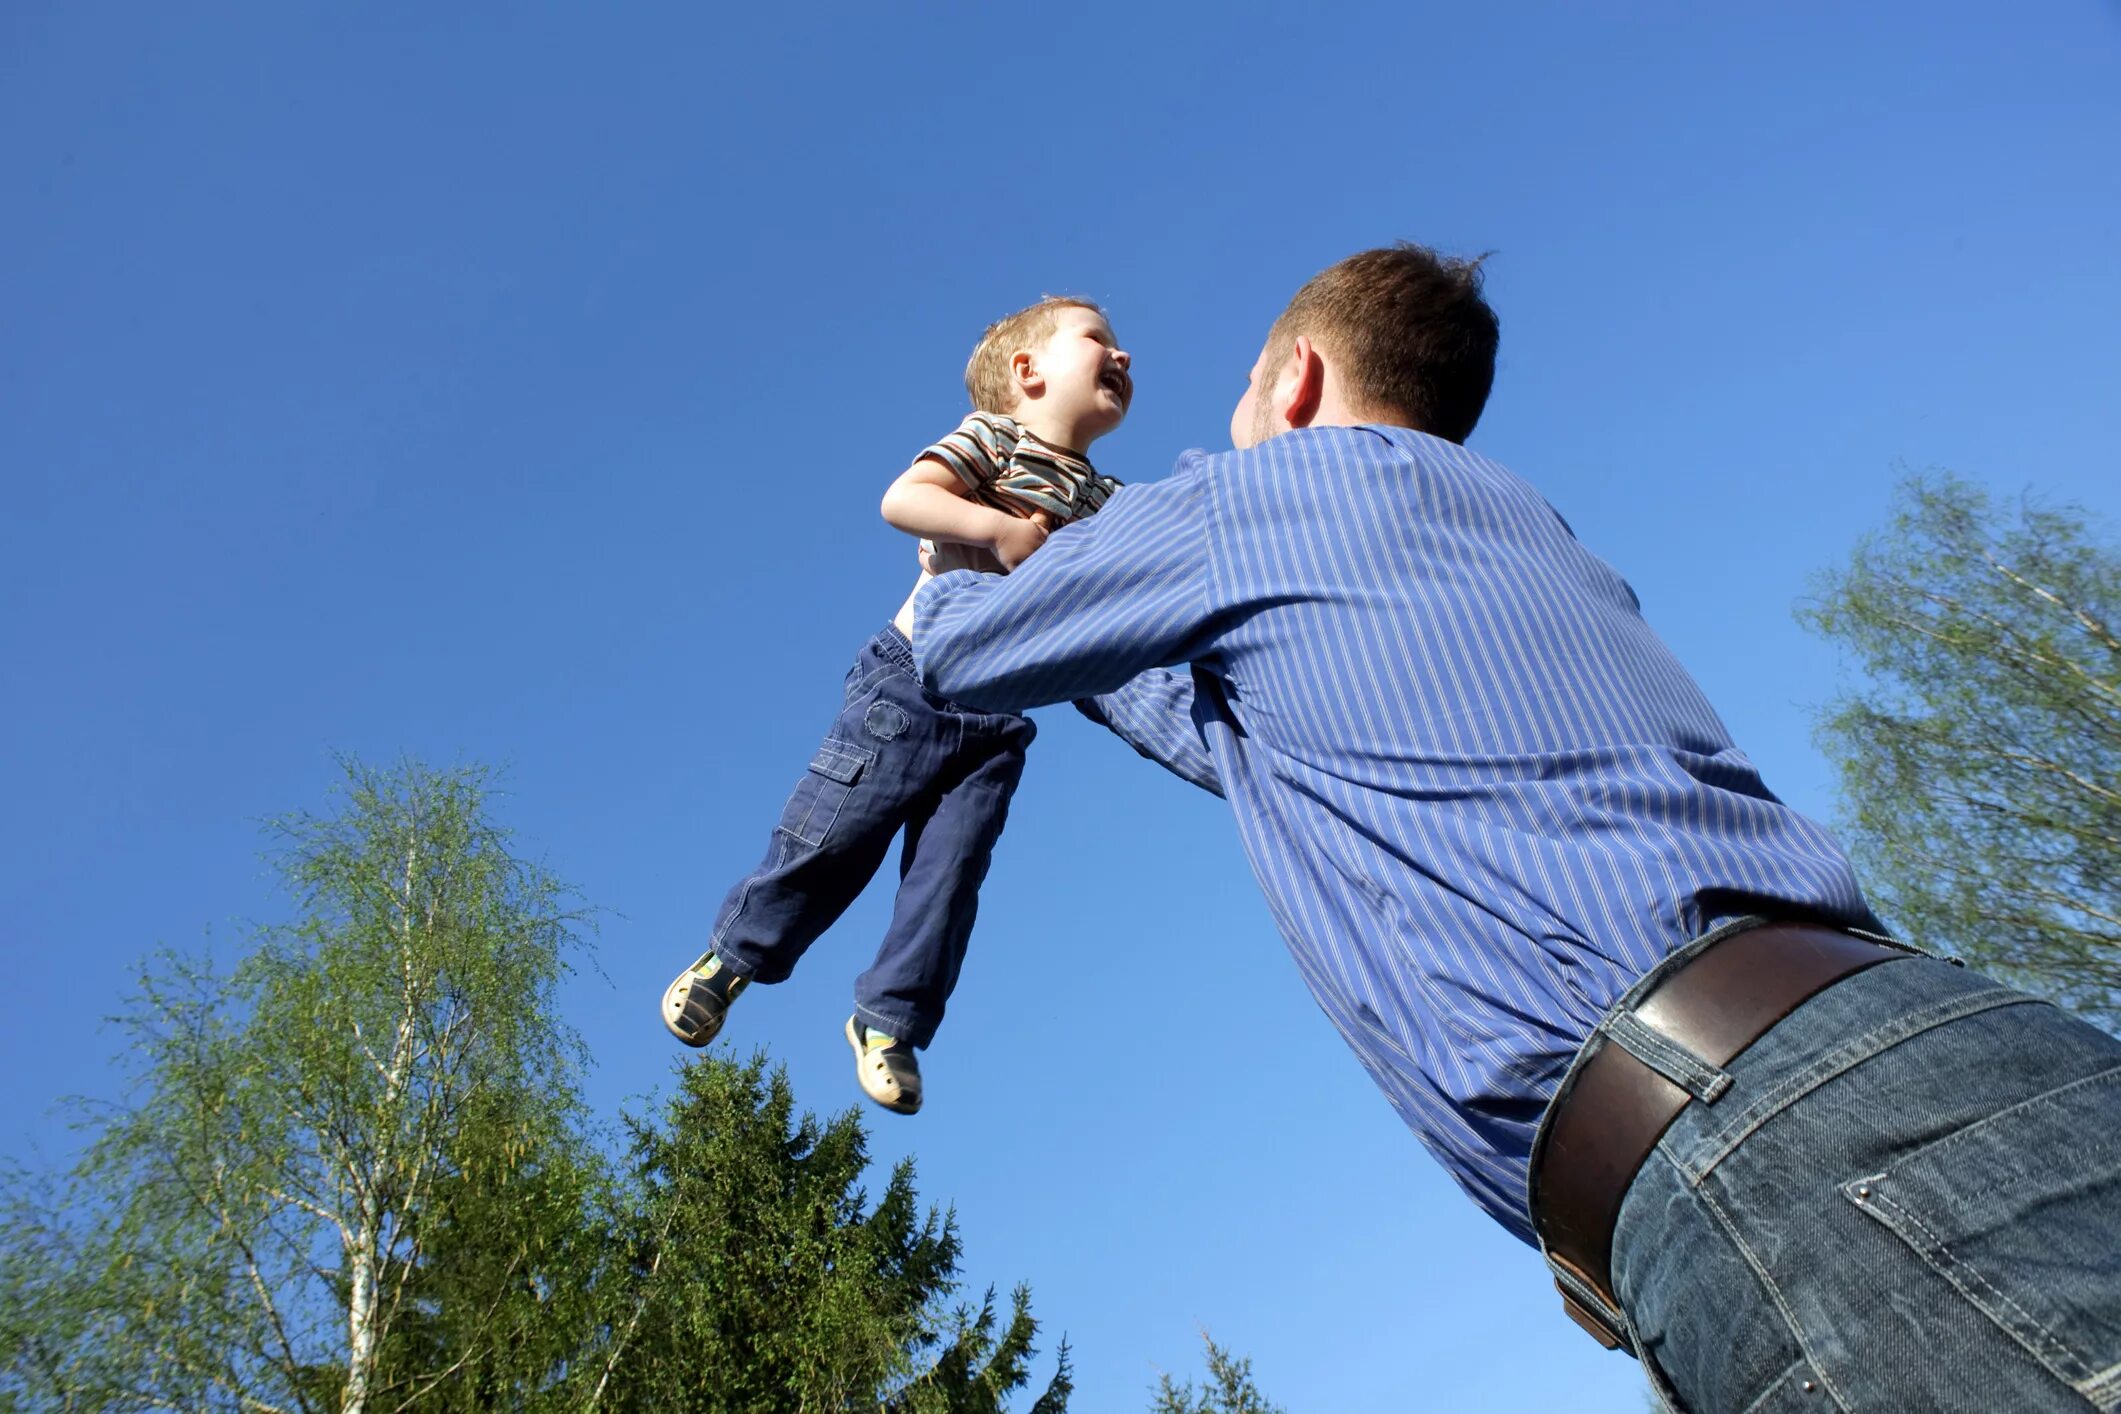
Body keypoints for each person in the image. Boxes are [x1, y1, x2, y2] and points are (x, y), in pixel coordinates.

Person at [908, 246, 2121, 1410]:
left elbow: (961, 656)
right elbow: (1263, 747)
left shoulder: (1252, 492)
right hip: (1961, 1042)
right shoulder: (1516, 515)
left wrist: (956, 544)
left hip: (1774, 1150)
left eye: (1241, 386)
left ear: (1300, 383)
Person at [664, 297, 1132, 1116]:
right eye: (1099, 339)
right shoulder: (992, 439)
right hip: (911, 679)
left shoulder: (1103, 500)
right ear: (1027, 373)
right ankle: (733, 956)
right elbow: (904, 499)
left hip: (998, 718)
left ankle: (889, 1021)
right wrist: (993, 530)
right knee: (836, 830)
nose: (1123, 356)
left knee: (949, 876)